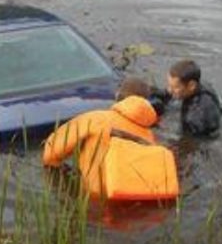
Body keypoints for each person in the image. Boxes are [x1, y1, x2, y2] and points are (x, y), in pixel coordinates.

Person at [42, 80, 178, 202]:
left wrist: (63, 172)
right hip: (132, 203)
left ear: (117, 96)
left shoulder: (94, 119)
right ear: (147, 105)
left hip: (93, 199)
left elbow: (50, 153)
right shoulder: (150, 138)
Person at [160, 59, 222, 137]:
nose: (169, 90)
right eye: (169, 85)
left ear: (191, 86)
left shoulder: (195, 118)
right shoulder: (202, 85)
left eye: (175, 87)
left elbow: (191, 143)